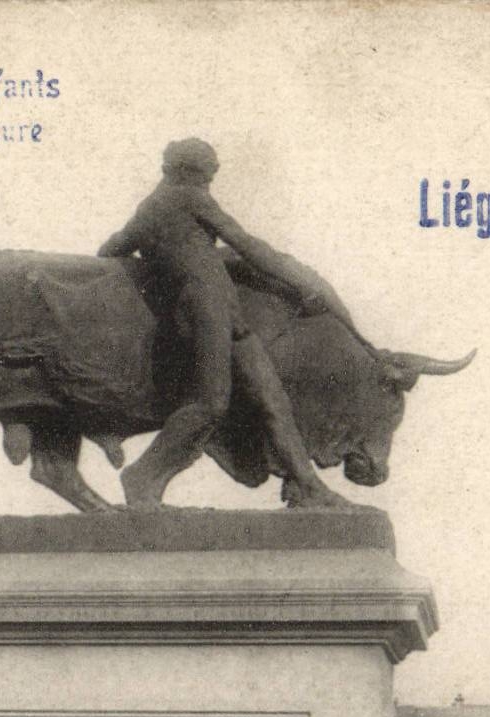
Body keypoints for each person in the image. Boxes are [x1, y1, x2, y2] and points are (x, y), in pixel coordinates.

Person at [98, 137, 358, 510]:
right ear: (193, 171)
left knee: (273, 399)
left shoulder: (150, 208)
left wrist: (166, 258)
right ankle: (143, 476)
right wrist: (299, 282)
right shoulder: (188, 197)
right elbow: (248, 246)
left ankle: (309, 486)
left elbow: (111, 250)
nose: (213, 176)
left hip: (225, 312)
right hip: (205, 312)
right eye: (210, 169)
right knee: (211, 403)